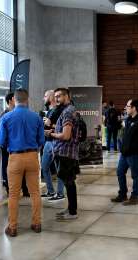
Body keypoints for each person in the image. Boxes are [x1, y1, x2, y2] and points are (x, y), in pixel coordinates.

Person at [0, 88, 44, 237]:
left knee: (13, 194)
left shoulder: (6, 118)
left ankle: (12, 227)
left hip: (15, 158)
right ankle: (36, 223)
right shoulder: (36, 117)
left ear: (14, 100)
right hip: (32, 156)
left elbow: (1, 141)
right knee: (35, 192)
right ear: (27, 99)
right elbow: (41, 140)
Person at [46, 88, 80, 220]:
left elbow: (66, 136)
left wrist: (51, 133)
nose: (57, 99)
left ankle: (72, 212)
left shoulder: (67, 112)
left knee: (69, 183)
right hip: (67, 152)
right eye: (55, 96)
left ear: (67, 96)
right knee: (68, 182)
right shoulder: (70, 110)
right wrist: (55, 129)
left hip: (66, 153)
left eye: (59, 96)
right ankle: (71, 209)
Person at [111, 99, 138, 205]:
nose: (125, 108)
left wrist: (130, 149)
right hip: (125, 153)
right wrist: (122, 148)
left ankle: (135, 197)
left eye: (127, 106)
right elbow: (126, 136)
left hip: (134, 154)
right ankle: (122, 194)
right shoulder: (128, 120)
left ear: (134, 108)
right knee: (120, 172)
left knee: (135, 175)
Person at [0, 93, 30, 197]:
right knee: (8, 168)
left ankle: (25, 189)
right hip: (9, 148)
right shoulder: (5, 114)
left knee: (23, 168)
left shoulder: (19, 113)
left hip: (20, 147)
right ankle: (10, 189)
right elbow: (2, 134)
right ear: (11, 100)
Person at [41, 90, 65, 202]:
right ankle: (50, 191)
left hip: (56, 142)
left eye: (45, 96)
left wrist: (51, 126)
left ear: (50, 97)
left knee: (59, 169)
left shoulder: (59, 110)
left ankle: (60, 193)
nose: (43, 98)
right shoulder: (49, 111)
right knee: (44, 167)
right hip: (48, 142)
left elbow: (64, 127)